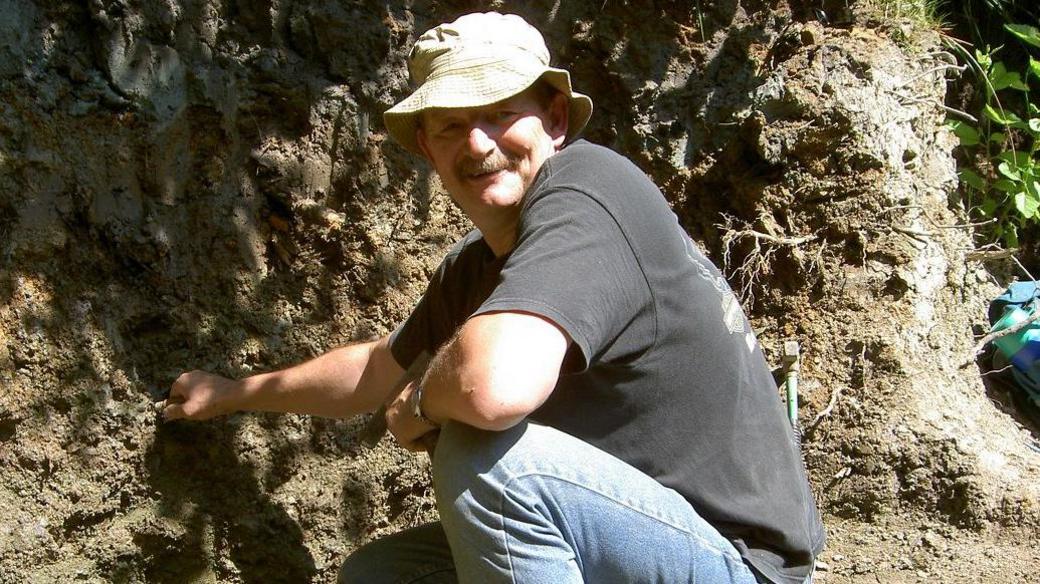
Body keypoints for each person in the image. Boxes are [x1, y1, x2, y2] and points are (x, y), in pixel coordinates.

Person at [165, 11, 825, 584]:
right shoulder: (477, 266)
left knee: (487, 460)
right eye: (450, 126)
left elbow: (490, 388)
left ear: (556, 117)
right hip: (639, 543)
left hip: (737, 564)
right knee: (384, 575)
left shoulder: (590, 187)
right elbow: (374, 372)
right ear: (427, 145)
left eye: (501, 113)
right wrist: (232, 394)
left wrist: (423, 403)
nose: (478, 143)